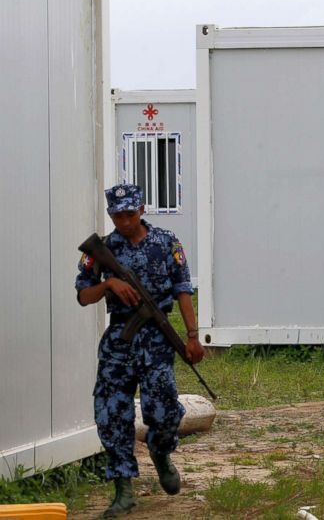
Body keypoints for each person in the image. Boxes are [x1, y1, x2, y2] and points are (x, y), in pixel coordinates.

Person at [76, 183, 205, 517]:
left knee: (163, 410)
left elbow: (183, 290)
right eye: (117, 215)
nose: (125, 221)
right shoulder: (102, 249)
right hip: (119, 342)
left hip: (157, 342)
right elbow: (82, 295)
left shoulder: (166, 243)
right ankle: (123, 490)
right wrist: (107, 285)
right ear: (111, 215)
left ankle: (160, 452)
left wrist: (192, 336)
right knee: (110, 413)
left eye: (130, 213)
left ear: (142, 209)